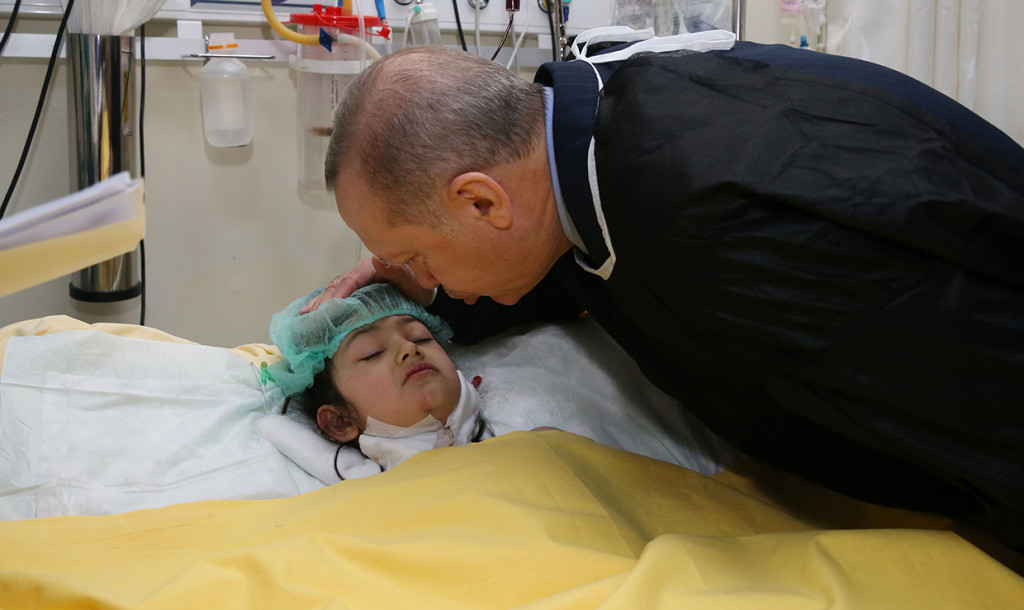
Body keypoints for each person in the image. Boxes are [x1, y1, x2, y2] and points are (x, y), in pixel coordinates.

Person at [305, 35, 1024, 549]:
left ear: (482, 202)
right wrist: (426, 297)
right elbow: (568, 259)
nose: (424, 280)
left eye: (418, 257)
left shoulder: (723, 232)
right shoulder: (582, 120)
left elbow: (988, 407)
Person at [264, 282, 486, 476]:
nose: (409, 348)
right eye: (372, 353)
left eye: (420, 338)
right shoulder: (362, 497)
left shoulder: (508, 446)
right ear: (340, 422)